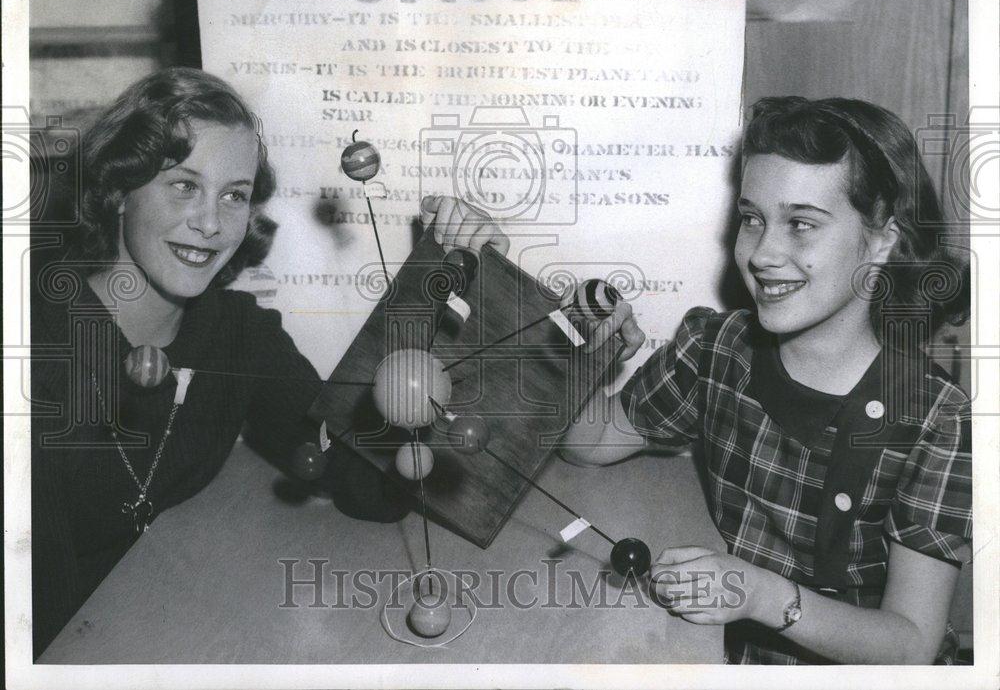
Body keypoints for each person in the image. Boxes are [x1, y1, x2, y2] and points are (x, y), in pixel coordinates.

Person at [30, 67, 507, 658]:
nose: (212, 223)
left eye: (234, 194)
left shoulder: (237, 334)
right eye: (184, 185)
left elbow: (363, 483)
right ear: (118, 190)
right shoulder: (34, 352)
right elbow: (40, 623)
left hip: (153, 615)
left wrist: (447, 280)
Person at [564, 96, 972, 664]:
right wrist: (591, 353)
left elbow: (910, 645)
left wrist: (755, 592)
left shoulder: (935, 419)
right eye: (752, 219)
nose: (762, 253)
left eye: (801, 224)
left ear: (882, 241)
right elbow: (588, 443)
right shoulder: (714, 348)